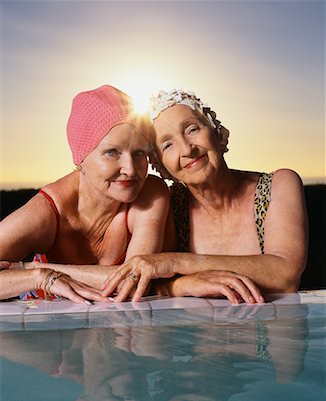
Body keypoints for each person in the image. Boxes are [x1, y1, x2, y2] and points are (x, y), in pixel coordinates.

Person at [102, 88, 308, 304]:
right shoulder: (172, 206)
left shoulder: (278, 185)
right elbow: (151, 284)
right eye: (168, 145)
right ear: (161, 166)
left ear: (215, 131)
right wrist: (181, 285)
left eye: (192, 129)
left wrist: (173, 263)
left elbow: (285, 275)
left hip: (274, 333)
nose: (187, 149)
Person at [0, 85, 170, 303]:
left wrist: (33, 267)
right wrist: (38, 277)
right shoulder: (48, 211)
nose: (130, 169)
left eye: (139, 153)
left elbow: (134, 281)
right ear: (80, 158)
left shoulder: (150, 193)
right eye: (112, 153)